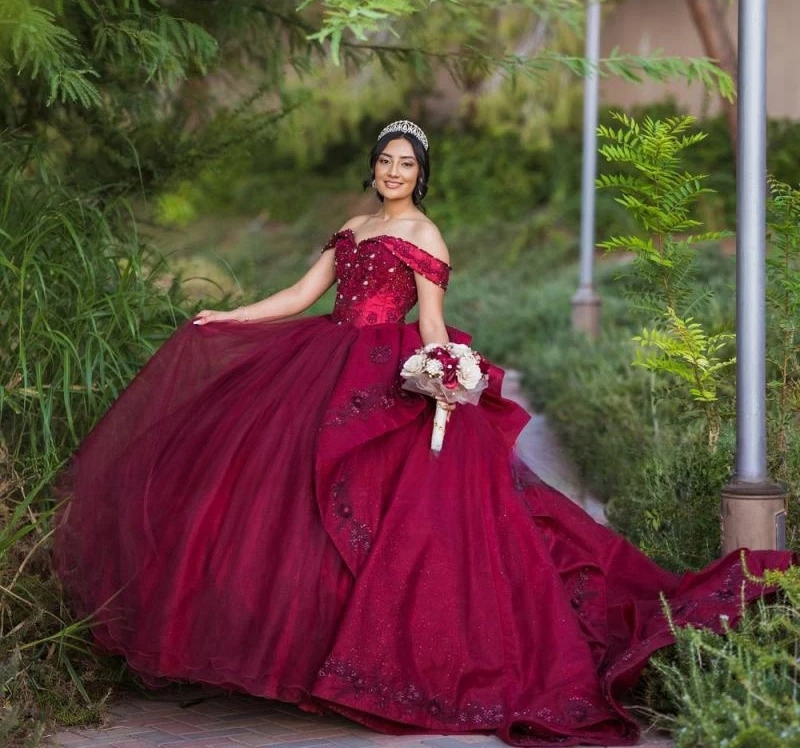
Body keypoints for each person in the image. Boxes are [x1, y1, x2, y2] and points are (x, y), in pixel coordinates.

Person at [55, 120, 792, 747]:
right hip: (320, 363)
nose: (394, 172)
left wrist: (445, 370)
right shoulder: (351, 227)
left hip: (383, 370)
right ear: (373, 168)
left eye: (407, 163)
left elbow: (431, 322)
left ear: (421, 173)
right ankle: (299, 656)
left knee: (388, 510)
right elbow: (303, 294)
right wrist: (231, 318)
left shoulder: (423, 233)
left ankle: (363, 661)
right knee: (281, 500)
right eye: (385, 161)